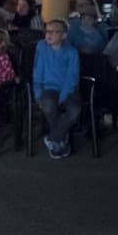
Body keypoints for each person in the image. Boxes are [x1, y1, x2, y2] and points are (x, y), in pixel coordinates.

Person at [32, 19, 81, 159]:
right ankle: (60, 139)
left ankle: (54, 137)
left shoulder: (71, 52)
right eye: (48, 31)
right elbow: (37, 70)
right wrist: (37, 92)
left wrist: (63, 96)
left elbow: (72, 77)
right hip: (48, 88)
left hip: (68, 89)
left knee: (74, 111)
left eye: (55, 32)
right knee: (48, 106)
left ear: (64, 35)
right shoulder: (42, 47)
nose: (49, 34)